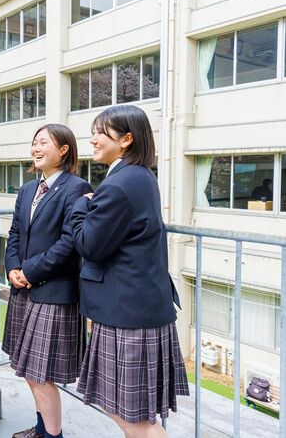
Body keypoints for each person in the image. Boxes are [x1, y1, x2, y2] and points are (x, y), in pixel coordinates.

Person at [70, 105, 189, 438]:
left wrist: (82, 206)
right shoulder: (140, 176)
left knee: (132, 416)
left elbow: (89, 245)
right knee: (133, 413)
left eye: (100, 132)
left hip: (127, 313)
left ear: (125, 139)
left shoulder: (119, 184)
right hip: (140, 306)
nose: (92, 139)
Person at [2, 124, 92, 438]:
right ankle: (42, 429)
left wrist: (29, 272)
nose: (36, 149)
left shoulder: (77, 187)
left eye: (43, 143)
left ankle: (53, 435)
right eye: (34, 143)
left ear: (64, 149)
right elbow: (14, 233)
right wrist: (12, 267)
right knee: (28, 369)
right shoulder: (28, 189)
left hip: (52, 291)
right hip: (24, 290)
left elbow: (69, 243)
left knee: (40, 374)